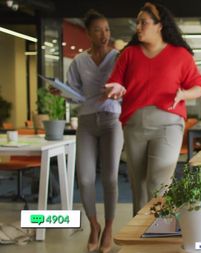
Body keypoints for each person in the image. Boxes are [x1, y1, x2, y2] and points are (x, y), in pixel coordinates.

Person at [104, 2, 201, 215]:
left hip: (168, 124)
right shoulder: (129, 54)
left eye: (144, 22)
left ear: (159, 25)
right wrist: (114, 88)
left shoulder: (180, 55)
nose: (138, 27)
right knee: (138, 187)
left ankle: (159, 234)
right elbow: (114, 83)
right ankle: (139, 241)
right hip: (134, 126)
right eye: (137, 22)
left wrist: (184, 94)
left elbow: (199, 87)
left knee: (158, 183)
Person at [50, 10, 123, 253]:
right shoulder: (79, 61)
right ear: (88, 33)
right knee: (85, 179)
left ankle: (110, 228)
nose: (104, 34)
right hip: (87, 122)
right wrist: (62, 92)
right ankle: (94, 225)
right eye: (98, 30)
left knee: (111, 178)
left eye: (107, 30)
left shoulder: (117, 57)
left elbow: (128, 86)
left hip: (112, 119)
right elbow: (74, 93)